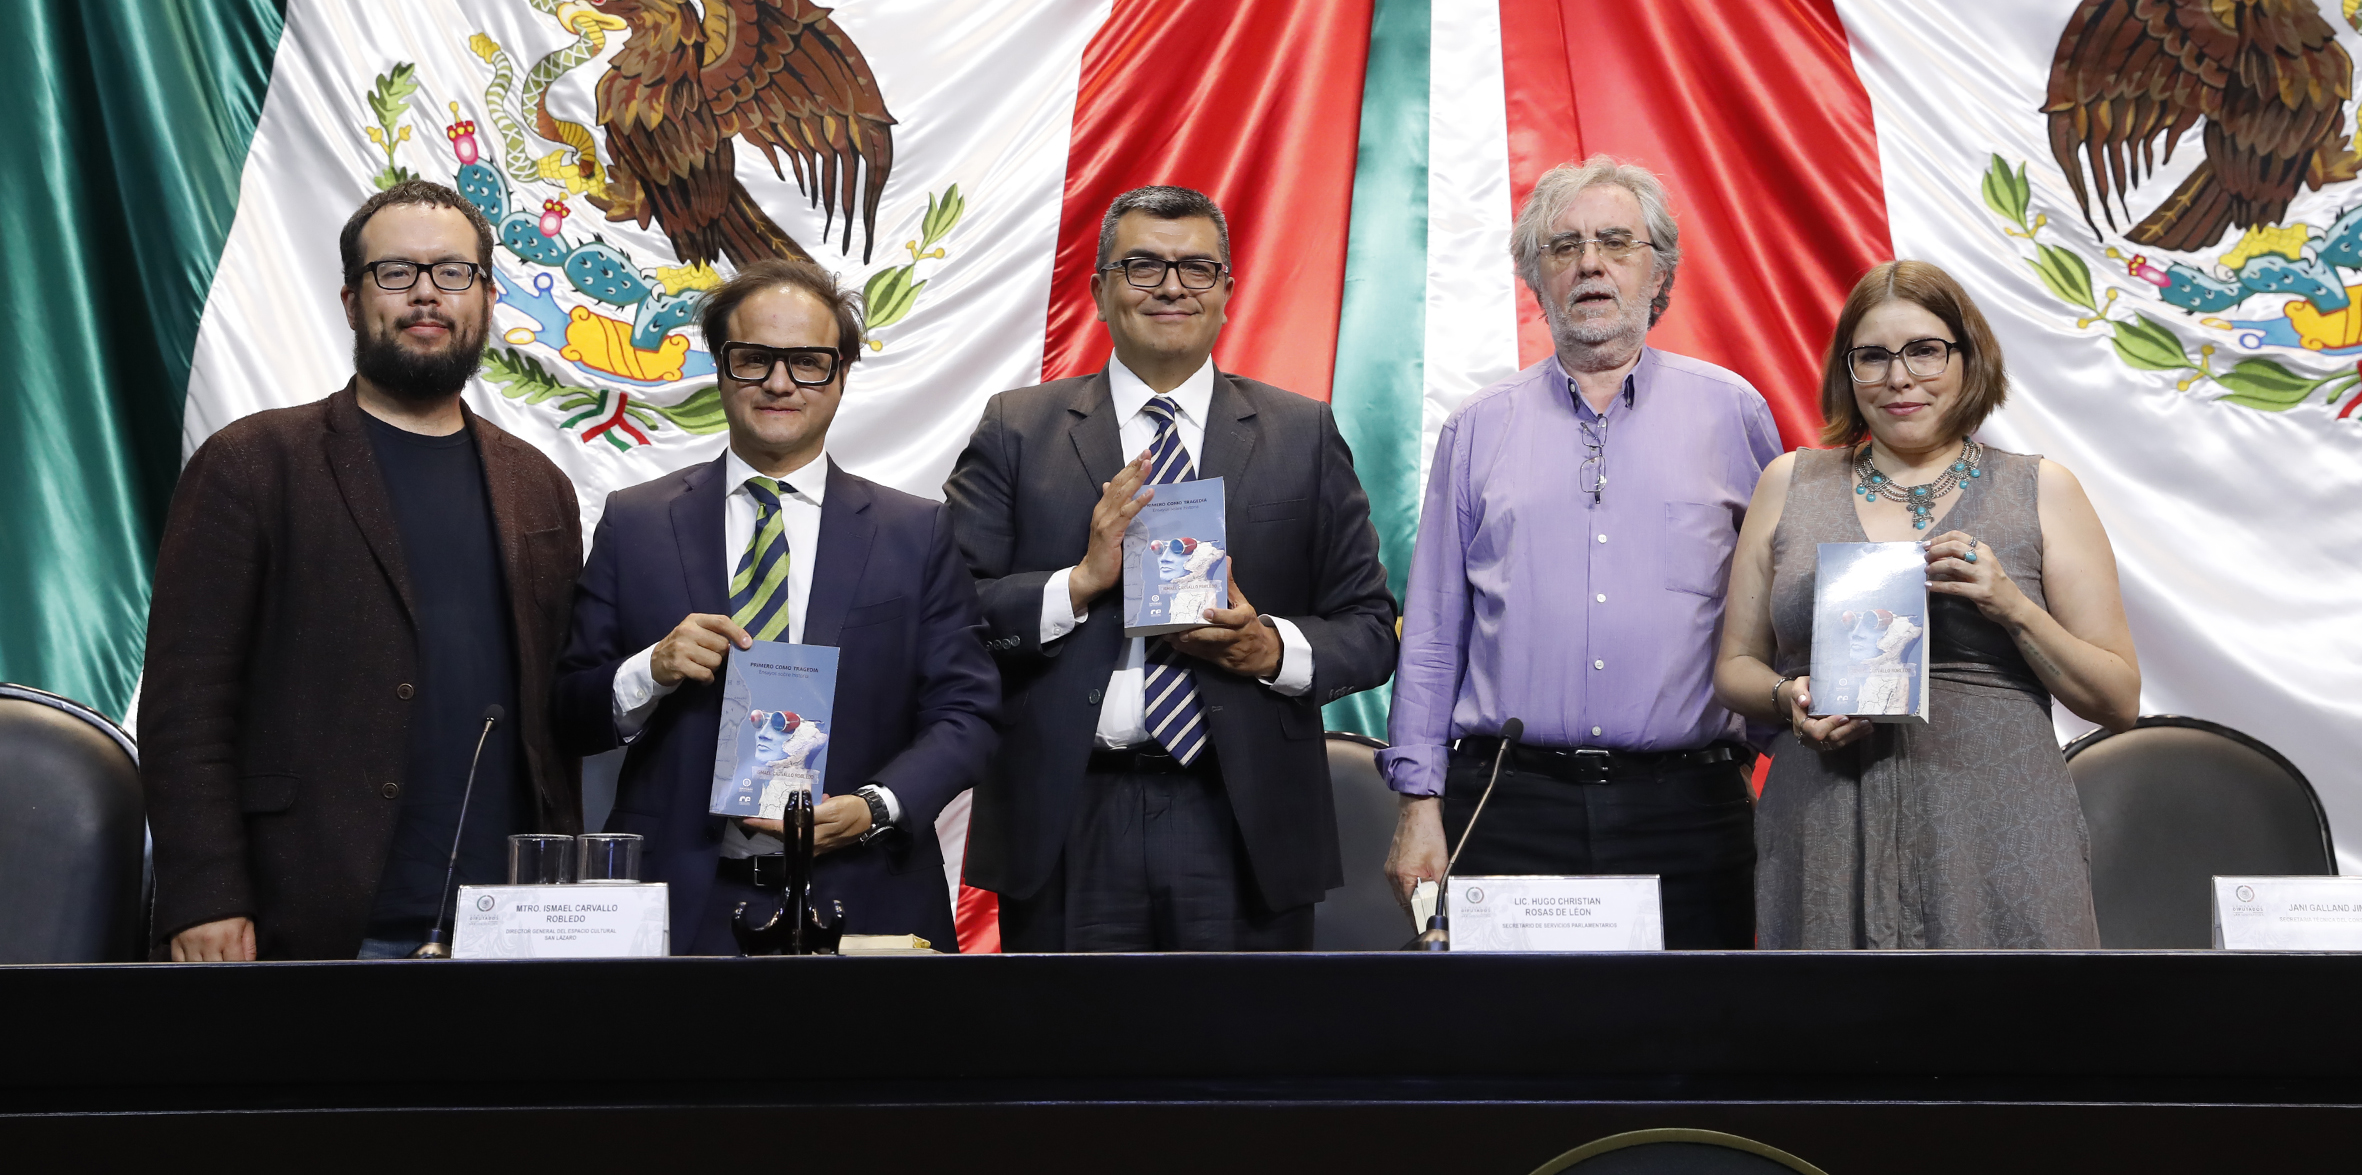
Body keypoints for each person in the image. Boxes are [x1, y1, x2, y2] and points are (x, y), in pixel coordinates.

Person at [945, 185, 1397, 951]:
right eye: (1143, 265)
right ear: (1099, 291)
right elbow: (952, 613)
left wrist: (1271, 649)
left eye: (1196, 268)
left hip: (1246, 819)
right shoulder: (1017, 429)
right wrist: (1077, 583)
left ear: (1226, 290)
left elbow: (1371, 627)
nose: (1171, 286)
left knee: (1239, 1033)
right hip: (1069, 818)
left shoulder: (1303, 433)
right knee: (1074, 1033)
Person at [143, 181, 583, 960]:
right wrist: (206, 892)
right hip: (307, 920)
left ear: (487, 298)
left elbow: (554, 715)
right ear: (352, 301)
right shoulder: (251, 463)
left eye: (452, 272)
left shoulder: (540, 486)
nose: (426, 293)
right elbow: (187, 705)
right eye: (395, 272)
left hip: (514, 926)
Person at [1381, 157, 1780, 951]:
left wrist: (1774, 761)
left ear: (1659, 272)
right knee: (1513, 1030)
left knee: (1695, 1028)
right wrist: (1419, 803)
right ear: (1535, 279)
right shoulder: (1476, 428)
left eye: (1615, 242)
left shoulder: (1733, 413)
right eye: (1564, 247)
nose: (1590, 263)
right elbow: (1431, 632)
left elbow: (1779, 607)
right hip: (1507, 803)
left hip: (1691, 806)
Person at [551, 259, 998, 954]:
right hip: (678, 904)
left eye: (808, 362)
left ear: (842, 374)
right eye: (754, 357)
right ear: (720, 366)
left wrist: (874, 806)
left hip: (864, 894)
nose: (780, 382)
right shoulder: (636, 522)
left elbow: (967, 713)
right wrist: (650, 670)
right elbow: (567, 712)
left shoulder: (916, 532)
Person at [1713, 258, 2139, 949]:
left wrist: (2013, 607)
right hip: (1824, 822)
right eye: (1873, 356)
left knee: (2008, 1015)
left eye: (1924, 350)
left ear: (1969, 359)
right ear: (1848, 371)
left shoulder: (2042, 490)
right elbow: (1735, 667)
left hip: (1996, 835)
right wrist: (1790, 696)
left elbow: (2118, 699)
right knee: (1830, 1014)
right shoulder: (1789, 483)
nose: (1899, 377)